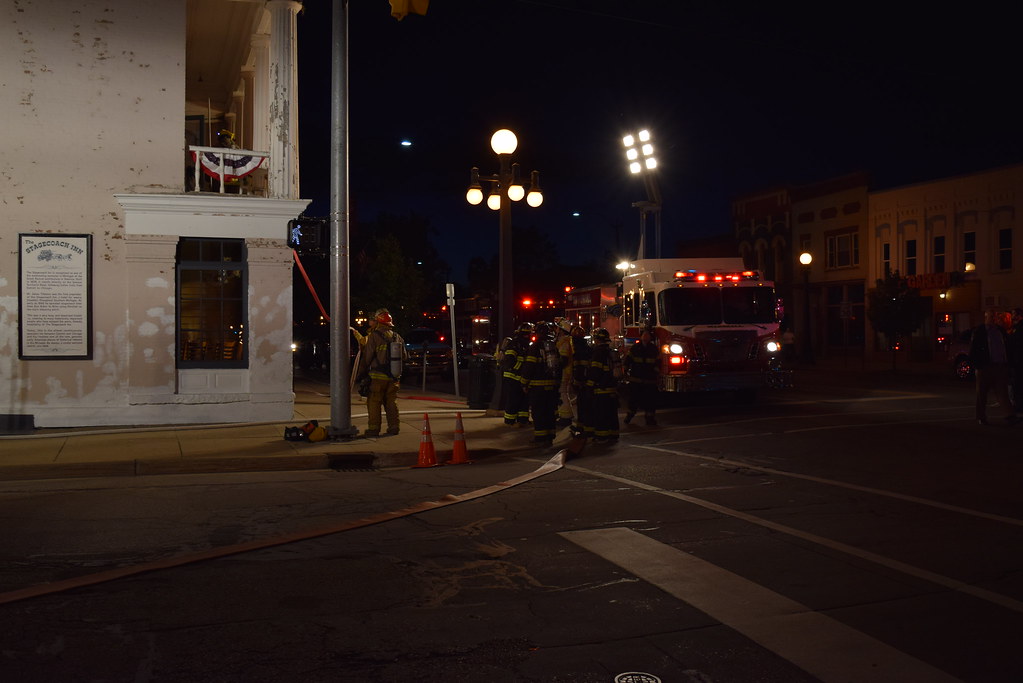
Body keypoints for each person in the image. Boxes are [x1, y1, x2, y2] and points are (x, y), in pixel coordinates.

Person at [355, 309, 407, 436]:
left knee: (374, 402)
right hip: (393, 378)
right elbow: (404, 356)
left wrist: (360, 373)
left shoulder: (374, 337)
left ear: (378, 322)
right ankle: (394, 428)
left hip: (377, 378)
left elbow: (367, 357)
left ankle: (373, 429)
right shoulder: (397, 337)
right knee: (391, 402)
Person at [968, 308, 1017, 426]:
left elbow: (1006, 347)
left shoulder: (1000, 331)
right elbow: (974, 349)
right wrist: (977, 365)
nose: (993, 319)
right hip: (985, 366)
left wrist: (1008, 363)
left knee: (1002, 392)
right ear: (986, 317)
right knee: (982, 393)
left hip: (1000, 366)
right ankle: (981, 416)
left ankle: (1009, 415)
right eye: (991, 317)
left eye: (995, 317)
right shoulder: (980, 331)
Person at [520, 322, 561, 446]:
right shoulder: (553, 347)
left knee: (539, 412)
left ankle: (540, 438)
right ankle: (550, 437)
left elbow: (529, 367)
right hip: (552, 387)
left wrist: (523, 383)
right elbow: (559, 367)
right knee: (550, 411)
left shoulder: (535, 347)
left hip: (538, 387)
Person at [586, 328, 621, 443]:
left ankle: (601, 437)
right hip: (612, 387)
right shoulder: (612, 351)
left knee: (601, 414)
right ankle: (614, 434)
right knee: (612, 413)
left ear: (597, 339)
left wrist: (590, 385)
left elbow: (595, 370)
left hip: (601, 388)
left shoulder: (598, 352)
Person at [623, 329, 660, 426]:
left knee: (650, 401)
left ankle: (650, 419)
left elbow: (658, 362)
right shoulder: (635, 348)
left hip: (649, 380)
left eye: (647, 334)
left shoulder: (654, 349)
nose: (646, 336)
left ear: (650, 337)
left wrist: (656, 373)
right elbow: (628, 360)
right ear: (641, 336)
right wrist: (625, 371)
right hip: (636, 379)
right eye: (644, 334)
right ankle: (629, 416)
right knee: (633, 399)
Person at [500, 322, 533, 426]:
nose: (528, 336)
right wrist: (519, 369)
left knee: (524, 399)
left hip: (521, 377)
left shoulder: (527, 345)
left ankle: (522, 420)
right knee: (513, 399)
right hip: (512, 376)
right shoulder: (514, 344)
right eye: (526, 334)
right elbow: (509, 361)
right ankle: (510, 420)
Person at [569, 324, 593, 439]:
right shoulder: (588, 347)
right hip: (589, 381)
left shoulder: (575, 348)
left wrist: (576, 381)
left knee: (582, 405)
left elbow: (577, 366)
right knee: (586, 404)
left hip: (581, 380)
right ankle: (582, 427)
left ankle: (582, 428)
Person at [554, 319, 575, 428]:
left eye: (558, 328)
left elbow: (563, 359)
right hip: (565, 371)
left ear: (561, 330)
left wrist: (555, 368)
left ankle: (566, 417)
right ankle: (562, 415)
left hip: (564, 372)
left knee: (563, 393)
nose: (556, 330)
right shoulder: (566, 340)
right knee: (561, 393)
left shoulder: (565, 341)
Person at [1010, 307, 1023, 413]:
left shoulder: (1019, 327)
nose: (1012, 316)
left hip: (1018, 360)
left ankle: (1018, 405)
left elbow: (1016, 343)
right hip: (1017, 359)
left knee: (1018, 384)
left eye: (1014, 314)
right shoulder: (1016, 327)